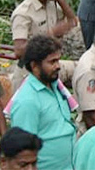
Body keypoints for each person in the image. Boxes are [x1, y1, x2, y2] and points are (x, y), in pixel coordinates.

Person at [8, 35, 77, 170]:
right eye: (52, 62)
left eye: (58, 60)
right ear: (34, 66)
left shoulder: (55, 86)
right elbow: (23, 150)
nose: (58, 66)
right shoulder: (27, 101)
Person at [10, 0, 77, 92]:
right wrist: (51, 34)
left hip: (49, 72)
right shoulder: (24, 13)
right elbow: (19, 51)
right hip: (28, 75)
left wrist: (60, 0)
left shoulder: (52, 4)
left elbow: (72, 22)